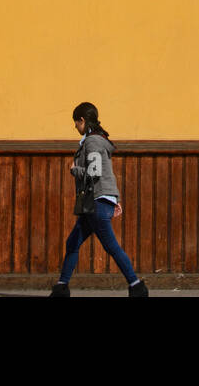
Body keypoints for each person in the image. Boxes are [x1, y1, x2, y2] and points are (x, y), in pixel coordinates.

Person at [48, 102, 148, 297]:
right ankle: (61, 287)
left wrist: (74, 169)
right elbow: (107, 174)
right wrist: (115, 198)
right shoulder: (99, 140)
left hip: (96, 202)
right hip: (98, 201)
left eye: (76, 123)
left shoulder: (92, 142)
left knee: (111, 246)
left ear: (82, 120)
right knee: (73, 243)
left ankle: (137, 286)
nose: (75, 127)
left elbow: (94, 173)